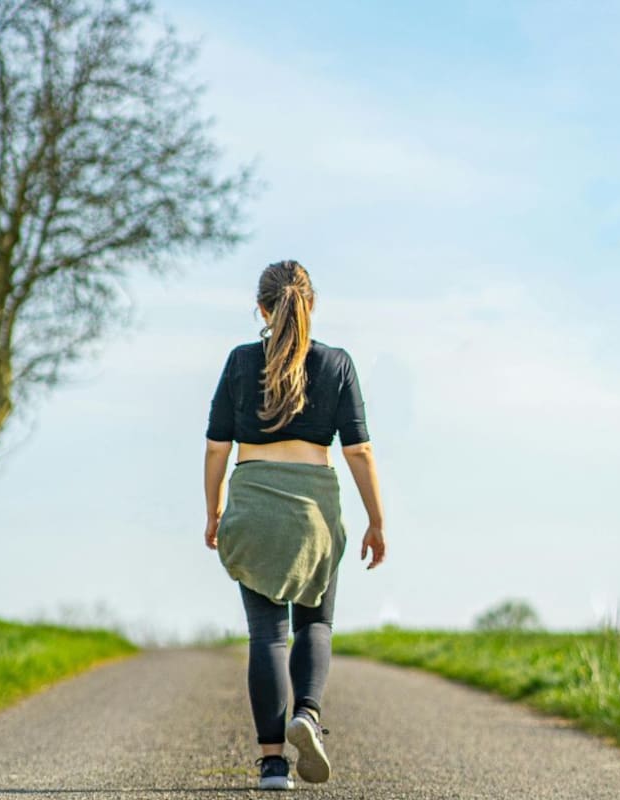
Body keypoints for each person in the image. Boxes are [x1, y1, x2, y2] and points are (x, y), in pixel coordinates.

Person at [203, 260, 386, 791]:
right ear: (312, 305)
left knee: (266, 632)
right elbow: (359, 449)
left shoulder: (240, 362)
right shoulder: (336, 364)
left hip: (253, 503)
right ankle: (307, 712)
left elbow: (217, 447)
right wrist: (376, 520)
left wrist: (212, 510)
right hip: (314, 511)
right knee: (316, 625)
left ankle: (273, 765)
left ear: (261, 309)